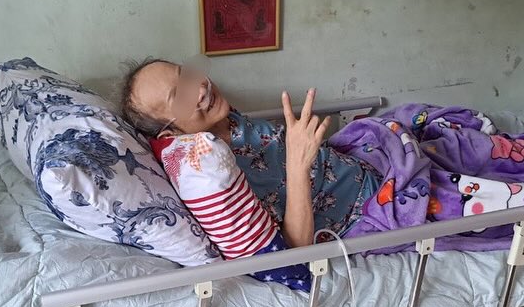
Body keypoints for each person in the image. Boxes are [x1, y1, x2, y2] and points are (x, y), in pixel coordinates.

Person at [120, 58, 380, 248]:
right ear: (170, 135)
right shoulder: (217, 175)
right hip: (367, 211)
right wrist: (298, 165)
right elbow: (296, 250)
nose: (200, 90)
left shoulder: (222, 118)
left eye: (187, 75)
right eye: (180, 97)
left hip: (367, 169)